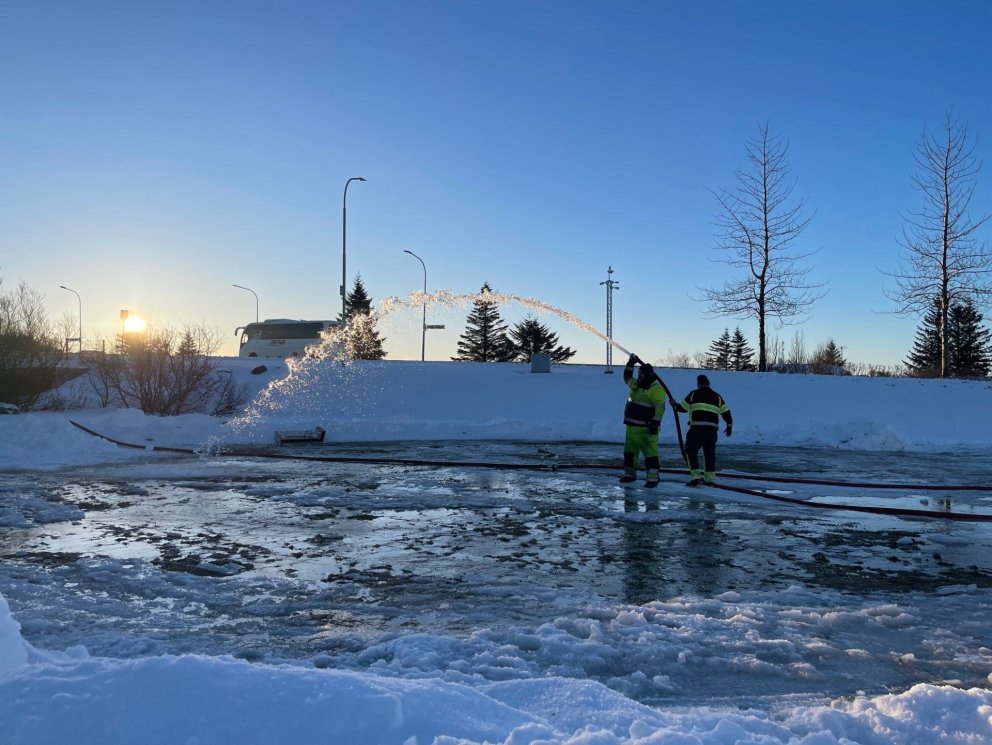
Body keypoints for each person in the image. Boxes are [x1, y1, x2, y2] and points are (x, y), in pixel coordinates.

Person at [675, 374, 733, 486]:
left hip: (696, 430)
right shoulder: (717, 396)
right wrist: (729, 426)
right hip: (711, 433)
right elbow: (726, 412)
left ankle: (696, 476)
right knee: (709, 454)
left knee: (691, 452)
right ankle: (709, 479)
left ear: (698, 384)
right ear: (708, 383)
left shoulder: (693, 394)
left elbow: (682, 408)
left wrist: (675, 405)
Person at [620, 353, 667, 487]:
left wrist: (655, 423)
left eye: (641, 375)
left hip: (646, 428)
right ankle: (629, 475)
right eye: (639, 374)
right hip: (631, 428)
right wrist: (630, 363)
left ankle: (652, 479)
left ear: (649, 376)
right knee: (629, 453)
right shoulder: (638, 385)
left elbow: (660, 408)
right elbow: (627, 377)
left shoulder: (656, 389)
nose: (638, 377)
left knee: (650, 454)